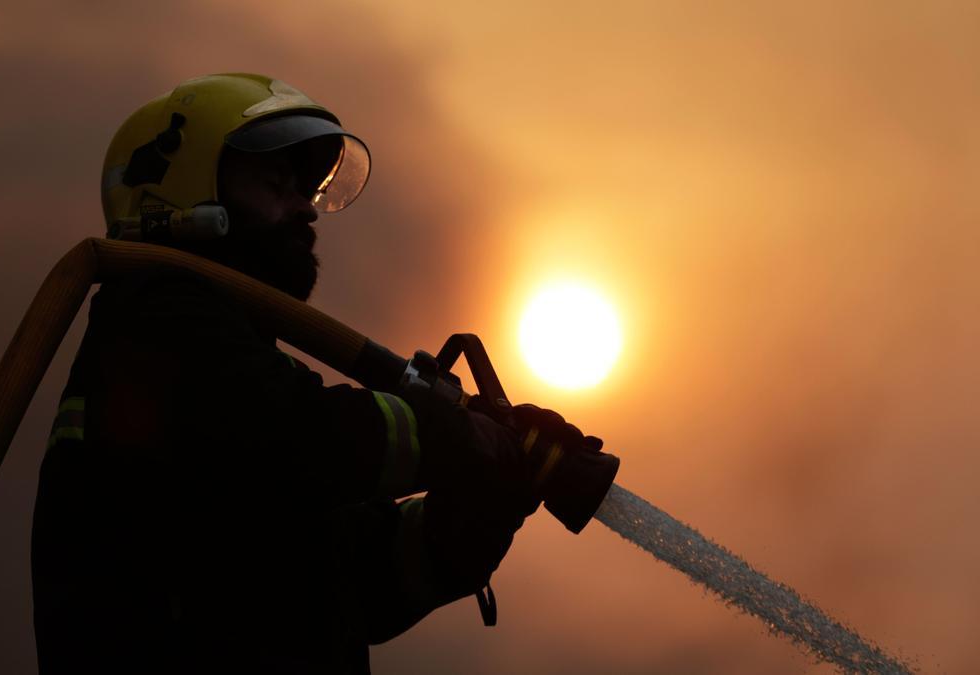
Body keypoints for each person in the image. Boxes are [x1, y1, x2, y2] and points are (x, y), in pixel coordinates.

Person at [30, 73, 618, 674]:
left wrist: (480, 507)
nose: (306, 209)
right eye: (277, 183)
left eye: (308, 190)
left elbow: (356, 584)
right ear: (183, 193)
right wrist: (470, 438)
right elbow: (304, 436)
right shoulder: (154, 321)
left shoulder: (231, 365)